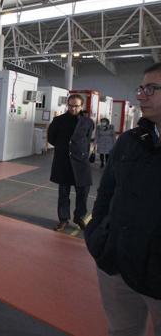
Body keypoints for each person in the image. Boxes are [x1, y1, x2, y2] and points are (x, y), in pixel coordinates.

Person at [85, 63, 161, 336]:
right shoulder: (130, 141)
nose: (141, 95)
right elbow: (106, 193)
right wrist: (98, 235)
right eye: (141, 88)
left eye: (151, 89)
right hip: (116, 267)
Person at [47, 94, 94, 232]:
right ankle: (63, 219)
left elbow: (87, 139)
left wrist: (82, 152)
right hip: (64, 161)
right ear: (67, 105)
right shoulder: (58, 120)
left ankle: (79, 218)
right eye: (71, 105)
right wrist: (64, 149)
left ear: (82, 106)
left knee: (83, 192)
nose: (73, 108)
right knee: (63, 193)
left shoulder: (88, 122)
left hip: (81, 162)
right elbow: (51, 138)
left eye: (76, 106)